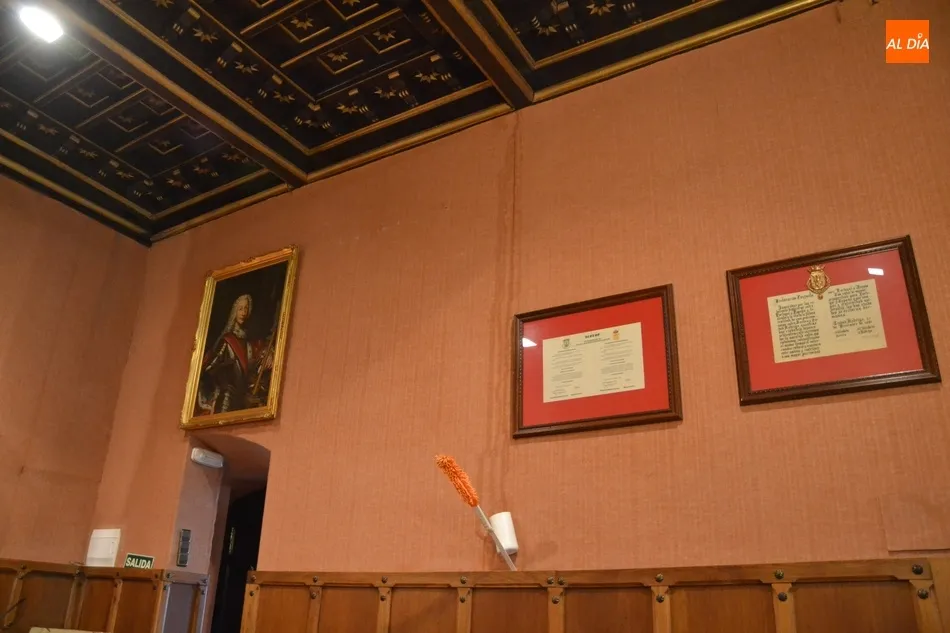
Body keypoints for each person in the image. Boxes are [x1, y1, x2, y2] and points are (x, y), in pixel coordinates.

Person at [195, 294, 274, 415]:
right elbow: (211, 367)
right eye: (240, 309)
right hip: (226, 396)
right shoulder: (227, 340)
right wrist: (224, 372)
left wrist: (270, 353)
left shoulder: (247, 343)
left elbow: (255, 362)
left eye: (246, 308)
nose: (243, 312)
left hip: (241, 398)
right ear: (235, 312)